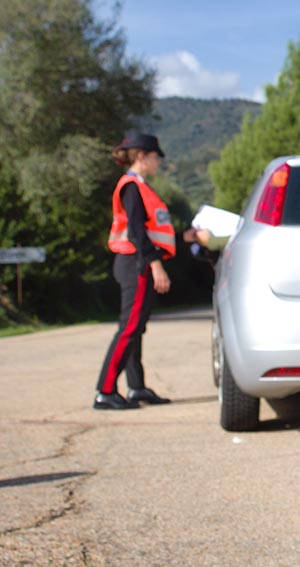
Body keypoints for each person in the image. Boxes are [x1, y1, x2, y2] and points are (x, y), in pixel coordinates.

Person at [94, 131, 175, 410]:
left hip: (134, 262)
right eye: (155, 157)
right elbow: (137, 233)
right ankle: (105, 391)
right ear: (141, 156)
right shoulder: (131, 186)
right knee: (129, 328)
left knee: (135, 328)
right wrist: (156, 265)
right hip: (135, 264)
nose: (158, 163)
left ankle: (136, 388)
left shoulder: (139, 185)